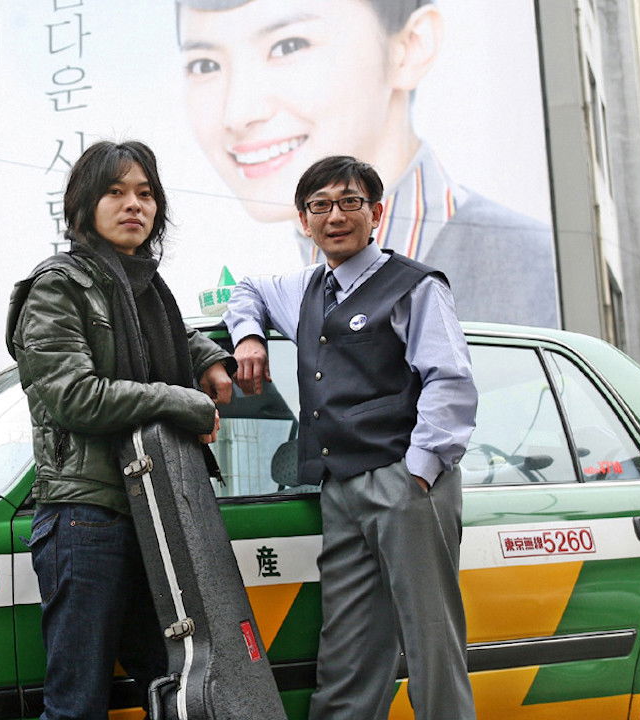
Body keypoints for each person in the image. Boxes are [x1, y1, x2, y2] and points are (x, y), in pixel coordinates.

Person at [224, 155, 478, 719]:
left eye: (349, 203)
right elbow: (247, 291)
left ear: (376, 213)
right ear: (303, 219)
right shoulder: (306, 289)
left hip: (404, 482)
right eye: (320, 206)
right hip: (339, 489)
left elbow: (450, 380)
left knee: (431, 647)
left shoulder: (414, 286)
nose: (335, 216)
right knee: (348, 653)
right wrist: (248, 338)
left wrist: (419, 472)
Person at [5, 140, 235, 720]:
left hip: (157, 512)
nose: (134, 205)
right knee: (77, 704)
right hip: (88, 515)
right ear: (84, 206)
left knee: (181, 691)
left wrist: (210, 358)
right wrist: (182, 402)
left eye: (145, 193)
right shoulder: (58, 286)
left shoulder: (146, 290)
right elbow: (74, 396)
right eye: (115, 192)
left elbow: (163, 340)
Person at [177, 0, 558, 328]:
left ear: (410, 48)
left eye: (288, 46)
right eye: (205, 65)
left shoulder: (536, 266)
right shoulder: (287, 280)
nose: (238, 113)